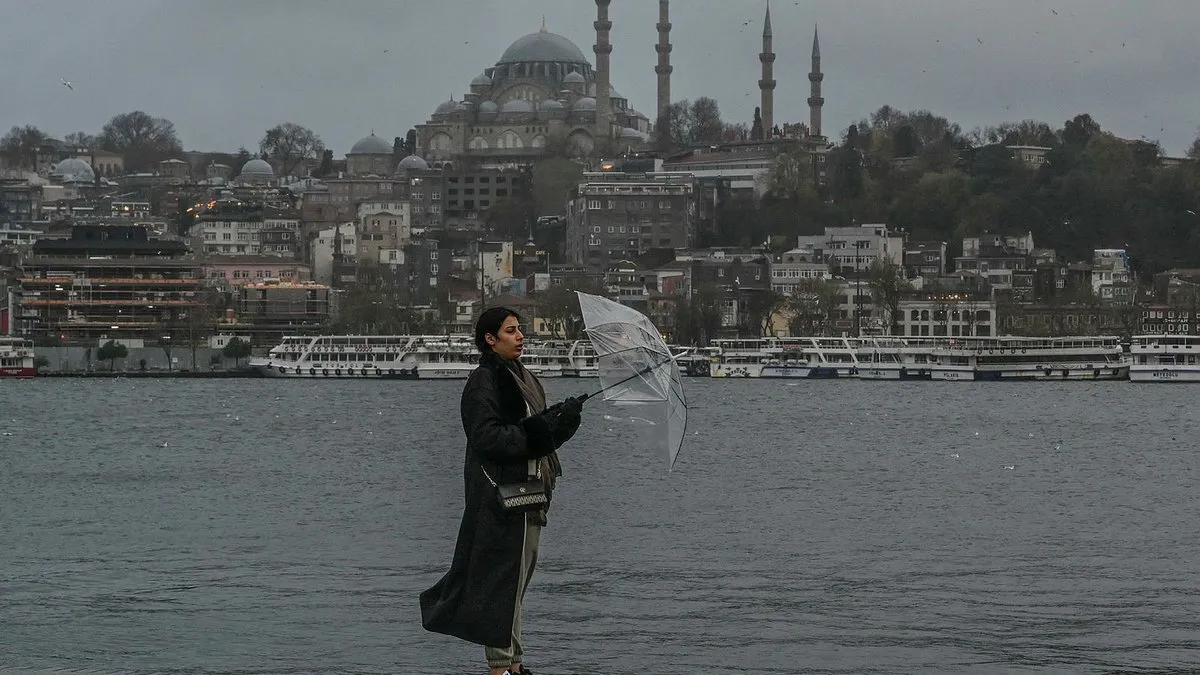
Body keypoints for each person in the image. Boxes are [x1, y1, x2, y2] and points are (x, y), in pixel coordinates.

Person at [420, 307, 584, 675]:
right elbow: (488, 437)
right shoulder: (484, 381)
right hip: (502, 499)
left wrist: (563, 420)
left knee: (516, 585)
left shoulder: (521, 376)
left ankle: (514, 663)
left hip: (530, 495)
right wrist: (540, 431)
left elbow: (533, 434)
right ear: (490, 339)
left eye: (520, 329)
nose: (520, 336)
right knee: (501, 586)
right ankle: (500, 668)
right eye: (511, 331)